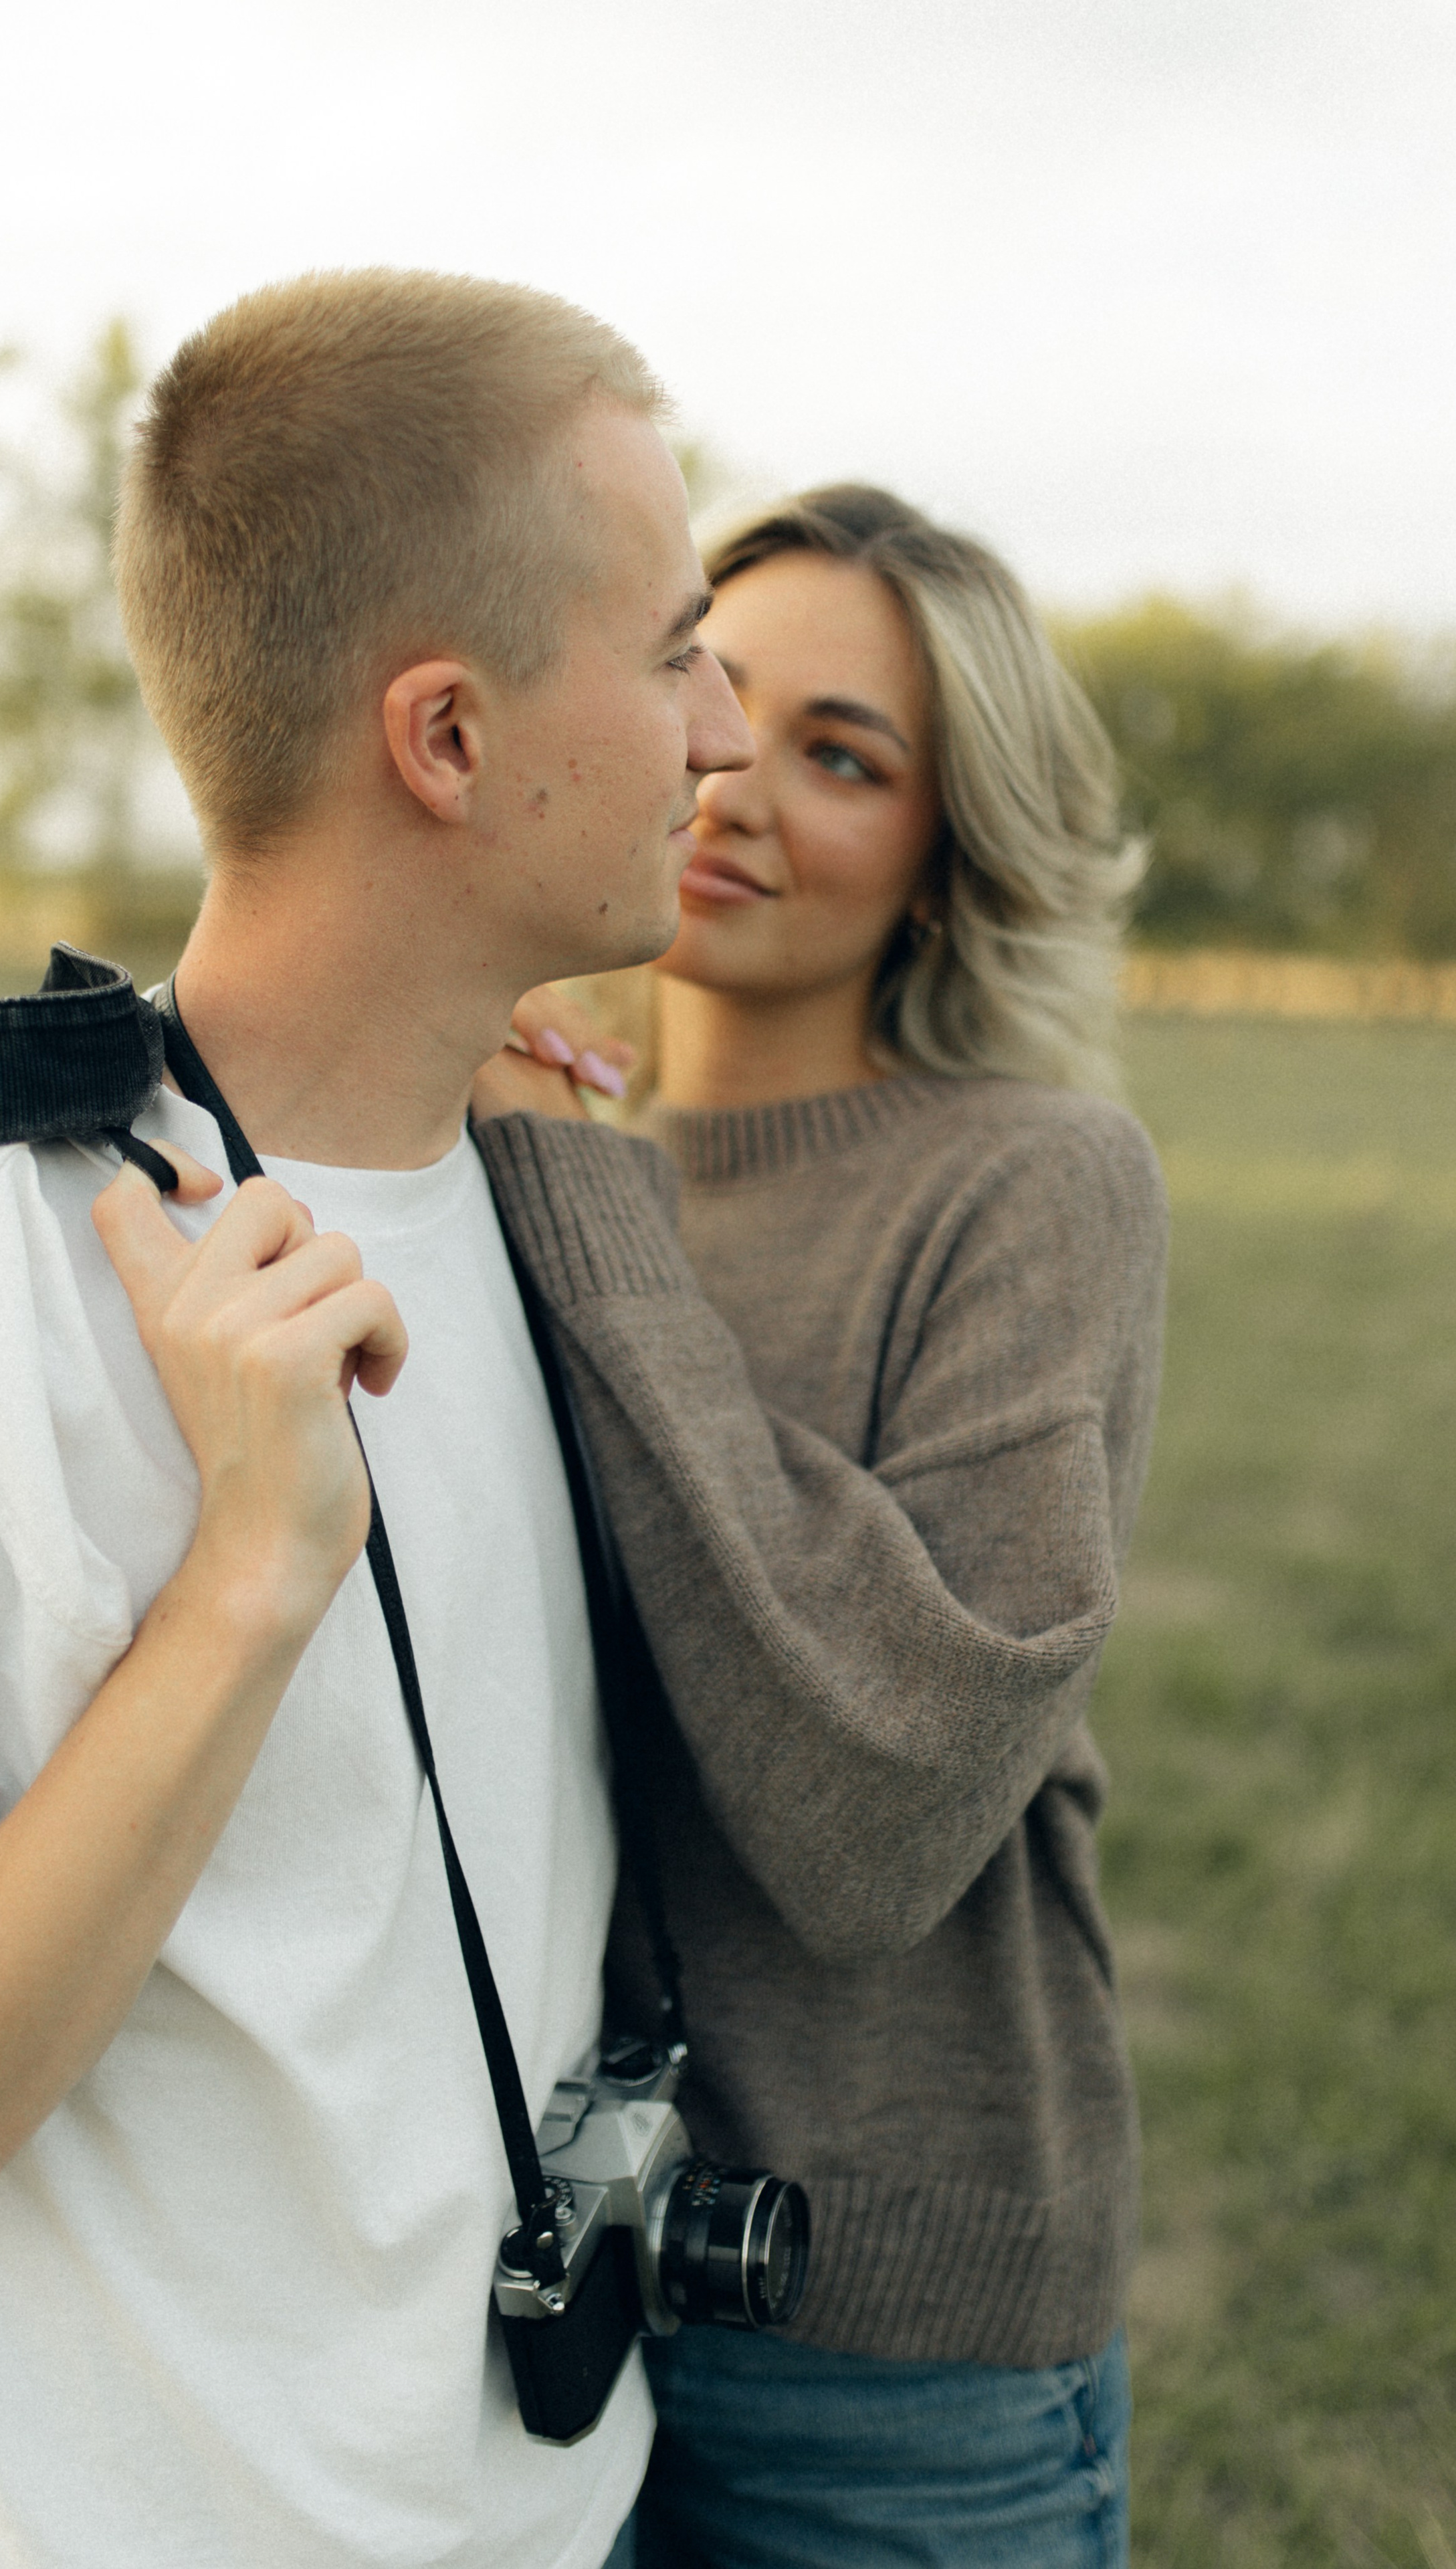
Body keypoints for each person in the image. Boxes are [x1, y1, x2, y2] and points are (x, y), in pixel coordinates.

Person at [0, 269, 750, 2567]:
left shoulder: (522, 1194)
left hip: (561, 2517)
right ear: (450, 738)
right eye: (677, 641)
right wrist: (246, 1587)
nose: (721, 725)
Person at [473, 483, 1168, 2567]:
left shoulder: (1036, 1184)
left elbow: (883, 1808)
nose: (737, 779)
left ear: (951, 864)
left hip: (885, 2340)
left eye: (846, 755)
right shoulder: (533, 1151)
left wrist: (589, 1220)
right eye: (712, 682)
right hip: (536, 2307)